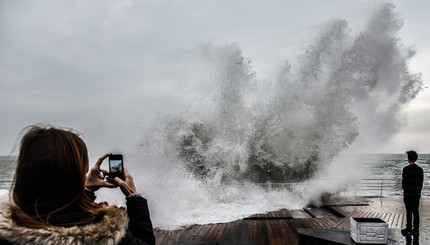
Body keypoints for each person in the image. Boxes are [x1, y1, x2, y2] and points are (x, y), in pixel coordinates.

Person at [0, 125, 155, 244]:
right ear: (75, 174)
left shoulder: (9, 226)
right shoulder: (101, 231)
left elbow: (58, 214)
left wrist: (86, 191)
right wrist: (134, 197)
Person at [401, 150, 424, 236]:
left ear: (409, 159)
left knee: (409, 211)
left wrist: (405, 189)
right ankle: (416, 229)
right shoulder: (420, 169)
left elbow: (404, 182)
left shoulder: (406, 169)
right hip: (416, 193)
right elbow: (421, 182)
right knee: (416, 211)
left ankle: (409, 229)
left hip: (408, 193)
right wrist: (418, 190)